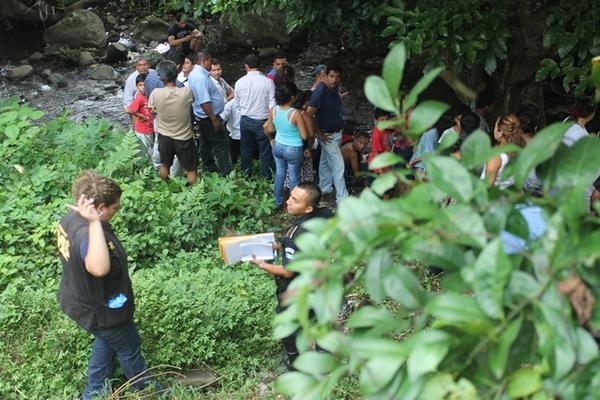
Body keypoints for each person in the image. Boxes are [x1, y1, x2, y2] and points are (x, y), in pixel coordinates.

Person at [57, 171, 156, 399]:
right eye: (115, 208)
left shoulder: (70, 218)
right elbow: (98, 268)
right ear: (99, 208)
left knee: (108, 339)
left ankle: (95, 391)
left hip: (82, 301)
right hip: (100, 310)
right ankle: (148, 391)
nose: (117, 211)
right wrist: (94, 225)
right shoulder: (88, 234)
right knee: (130, 348)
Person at [250, 182, 333, 370]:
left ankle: (294, 361)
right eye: (291, 196)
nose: (288, 201)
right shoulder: (326, 214)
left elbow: (288, 271)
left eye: (295, 200)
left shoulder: (295, 236)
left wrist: (263, 264)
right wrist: (282, 246)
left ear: (308, 208)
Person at [148, 60, 198, 185]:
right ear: (176, 74)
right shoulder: (186, 92)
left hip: (164, 137)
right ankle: (193, 193)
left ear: (161, 77)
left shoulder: (155, 94)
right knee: (191, 169)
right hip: (184, 138)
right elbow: (193, 101)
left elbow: (151, 109)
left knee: (165, 165)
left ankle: (166, 187)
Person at [306, 63, 349, 205]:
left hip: (336, 132)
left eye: (337, 77)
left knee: (325, 161)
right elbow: (308, 115)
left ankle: (325, 187)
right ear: (325, 76)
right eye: (331, 76)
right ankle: (342, 197)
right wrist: (319, 133)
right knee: (338, 165)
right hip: (327, 135)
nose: (334, 80)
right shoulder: (320, 92)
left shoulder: (334, 90)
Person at [264, 83, 310, 210]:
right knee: (294, 177)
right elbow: (305, 136)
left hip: (278, 146)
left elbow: (270, 128)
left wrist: (272, 140)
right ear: (291, 97)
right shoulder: (295, 113)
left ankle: (278, 203)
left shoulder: (273, 110)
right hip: (293, 149)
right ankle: (293, 206)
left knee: (280, 174)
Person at [188, 50, 231, 176]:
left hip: (203, 116)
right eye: (210, 61)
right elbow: (204, 101)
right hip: (208, 117)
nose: (210, 64)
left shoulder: (195, 74)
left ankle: (209, 166)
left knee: (205, 142)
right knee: (221, 144)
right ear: (205, 60)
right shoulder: (200, 77)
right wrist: (214, 119)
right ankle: (225, 172)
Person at [235, 54, 276, 178]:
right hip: (263, 121)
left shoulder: (239, 82)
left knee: (246, 150)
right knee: (265, 151)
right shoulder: (268, 82)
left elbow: (237, 104)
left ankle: (246, 175)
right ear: (260, 66)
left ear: (246, 66)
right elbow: (272, 105)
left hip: (245, 119)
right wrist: (270, 122)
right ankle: (265, 177)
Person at [480, 113, 525, 188]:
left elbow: (488, 188)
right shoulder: (520, 151)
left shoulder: (496, 157)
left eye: (495, 126)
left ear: (500, 132)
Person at [126, 73, 155, 158]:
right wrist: (141, 115)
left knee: (151, 149)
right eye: (140, 85)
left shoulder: (150, 95)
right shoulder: (140, 98)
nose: (142, 87)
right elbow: (128, 110)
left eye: (144, 85)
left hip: (150, 127)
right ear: (136, 86)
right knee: (145, 151)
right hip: (143, 130)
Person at [220, 98, 241, 165]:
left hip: (234, 134)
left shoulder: (231, 103)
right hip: (246, 134)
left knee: (234, 156)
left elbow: (223, 117)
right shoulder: (254, 100)